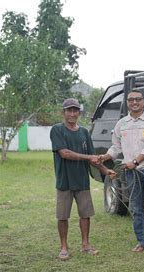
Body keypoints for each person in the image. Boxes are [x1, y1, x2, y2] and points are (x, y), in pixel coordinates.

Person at [99, 89, 144, 253]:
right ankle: (142, 241)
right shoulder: (121, 124)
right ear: (127, 103)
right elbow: (116, 146)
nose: (134, 102)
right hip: (130, 172)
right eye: (131, 100)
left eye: (138, 99)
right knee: (136, 208)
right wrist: (106, 156)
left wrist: (136, 161)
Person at [50, 98, 116, 261]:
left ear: (79, 112)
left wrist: (106, 170)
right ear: (63, 112)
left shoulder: (85, 132)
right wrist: (89, 156)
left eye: (75, 110)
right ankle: (64, 247)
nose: (72, 114)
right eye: (69, 110)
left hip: (82, 182)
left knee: (85, 214)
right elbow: (64, 153)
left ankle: (85, 245)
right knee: (63, 216)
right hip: (64, 181)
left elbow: (93, 159)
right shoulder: (57, 130)